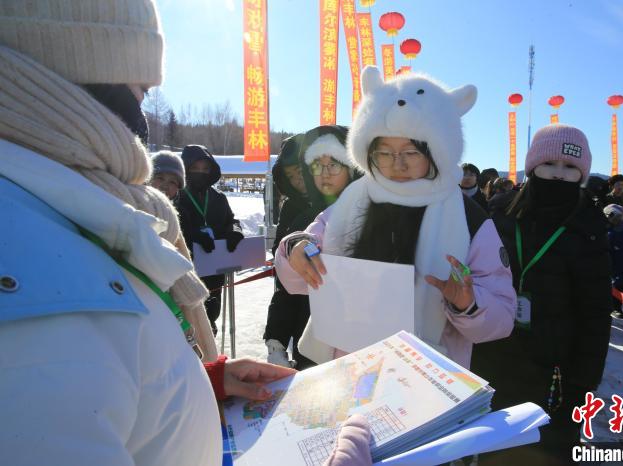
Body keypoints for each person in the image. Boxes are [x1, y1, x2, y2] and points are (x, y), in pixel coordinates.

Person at [0, 3, 374, 465]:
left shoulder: (71, 205)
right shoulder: (25, 254)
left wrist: (200, 380)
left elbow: (116, 378)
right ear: (77, 70)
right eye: (139, 92)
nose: (139, 120)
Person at [275, 66, 516, 369]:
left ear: (437, 152)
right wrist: (297, 250)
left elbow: (503, 315)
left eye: (411, 152)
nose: (397, 164)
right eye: (385, 152)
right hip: (348, 367)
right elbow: (301, 264)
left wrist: (468, 304)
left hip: (428, 379)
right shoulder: (353, 201)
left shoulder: (470, 218)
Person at [472, 124, 612, 466]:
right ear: (533, 166)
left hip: (552, 370)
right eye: (551, 165)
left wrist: (581, 387)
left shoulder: (589, 226)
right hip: (492, 354)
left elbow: (595, 315)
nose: (559, 176)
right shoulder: (500, 212)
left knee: (543, 452)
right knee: (491, 449)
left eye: (571, 169)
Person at [264, 126, 358, 369]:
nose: (325, 174)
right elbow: (286, 283)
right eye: (316, 166)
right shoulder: (301, 213)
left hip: (362, 341)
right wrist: (276, 339)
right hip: (312, 334)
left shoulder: (372, 210)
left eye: (334, 165)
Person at [176, 144, 245, 334]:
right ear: (185, 169)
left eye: (205, 169)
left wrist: (235, 231)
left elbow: (232, 220)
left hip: (215, 266)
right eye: (195, 168)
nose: (201, 173)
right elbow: (172, 226)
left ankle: (210, 350)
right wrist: (193, 236)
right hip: (187, 268)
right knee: (188, 317)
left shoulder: (218, 197)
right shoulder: (178, 196)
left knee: (211, 311)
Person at [604, 204, 623, 319]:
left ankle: (616, 307)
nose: (615, 220)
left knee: (620, 285)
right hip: (607, 261)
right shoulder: (605, 228)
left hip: (622, 260)